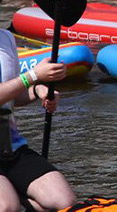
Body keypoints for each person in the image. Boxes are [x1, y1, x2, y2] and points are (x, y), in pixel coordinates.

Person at [0, 28, 75, 211]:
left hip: (10, 146)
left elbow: (11, 95)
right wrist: (33, 76)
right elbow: (24, 80)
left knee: (65, 202)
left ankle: (18, 198)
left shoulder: (6, 38)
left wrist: (38, 90)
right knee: (7, 206)